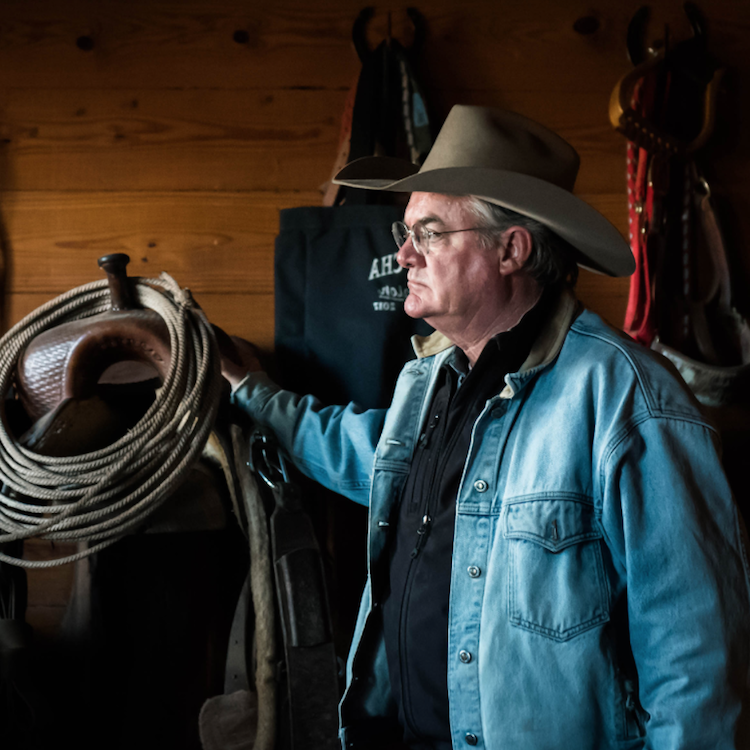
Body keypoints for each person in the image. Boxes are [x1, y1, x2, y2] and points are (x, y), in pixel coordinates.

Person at [220, 106, 750, 750]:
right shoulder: (429, 379)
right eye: (406, 230)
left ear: (510, 248)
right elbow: (372, 463)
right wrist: (252, 391)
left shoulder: (628, 403)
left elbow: (695, 663)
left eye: (431, 232)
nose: (404, 254)